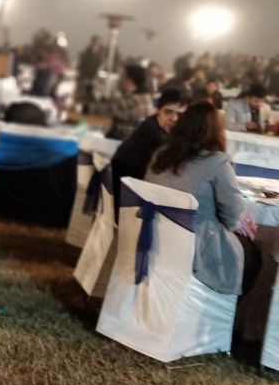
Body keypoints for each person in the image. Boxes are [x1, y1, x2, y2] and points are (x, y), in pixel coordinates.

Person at [146, 101, 260, 297]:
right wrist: (239, 220)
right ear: (216, 131)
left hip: (153, 238)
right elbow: (232, 219)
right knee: (254, 256)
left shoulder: (160, 155)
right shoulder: (217, 163)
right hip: (195, 250)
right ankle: (224, 310)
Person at [110, 88, 188, 216]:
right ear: (158, 111)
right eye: (168, 112)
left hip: (131, 188)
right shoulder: (153, 132)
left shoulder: (156, 125)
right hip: (128, 198)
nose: (174, 118)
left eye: (179, 115)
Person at [105, 63, 155, 141]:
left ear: (130, 80)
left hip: (124, 143)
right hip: (138, 143)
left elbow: (105, 110)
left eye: (122, 76)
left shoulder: (131, 101)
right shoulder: (147, 98)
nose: (120, 80)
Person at [77, 34, 104, 108]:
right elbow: (81, 66)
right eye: (94, 43)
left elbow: (101, 66)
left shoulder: (100, 55)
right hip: (85, 77)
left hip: (94, 79)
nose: (95, 45)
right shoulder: (86, 54)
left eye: (97, 43)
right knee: (84, 95)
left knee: (92, 96)